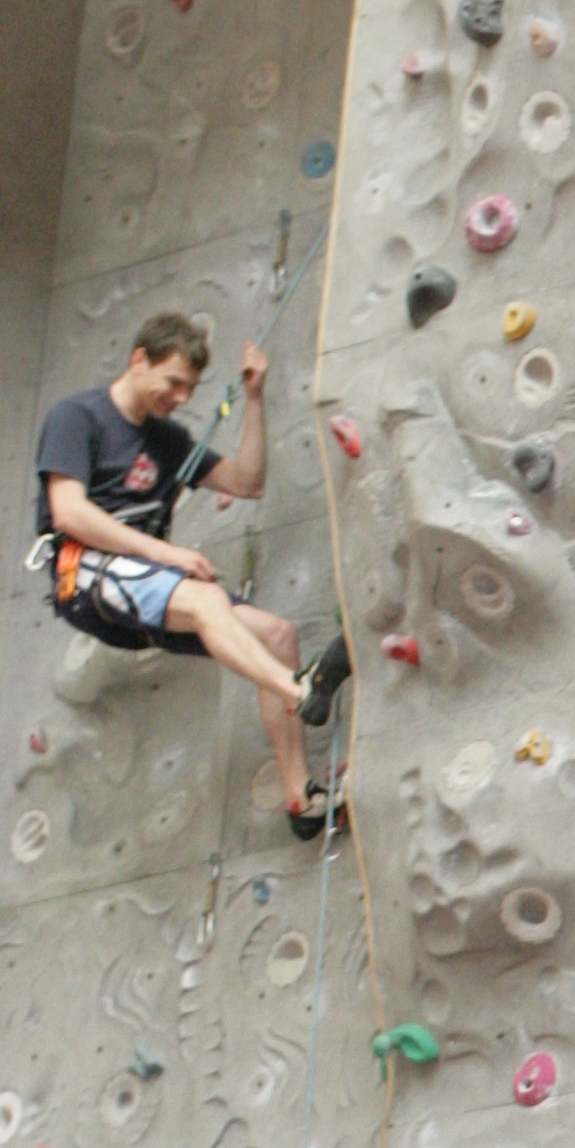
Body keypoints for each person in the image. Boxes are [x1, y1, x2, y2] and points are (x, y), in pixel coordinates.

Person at [31, 312, 346, 828]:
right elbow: (68, 512)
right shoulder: (78, 417)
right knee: (207, 599)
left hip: (143, 582)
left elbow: (247, 482)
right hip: (84, 574)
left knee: (278, 636)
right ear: (139, 359)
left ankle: (302, 801)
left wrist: (255, 399)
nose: (180, 397)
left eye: (190, 389)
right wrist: (166, 554)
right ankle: (300, 691)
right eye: (173, 382)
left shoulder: (168, 441)